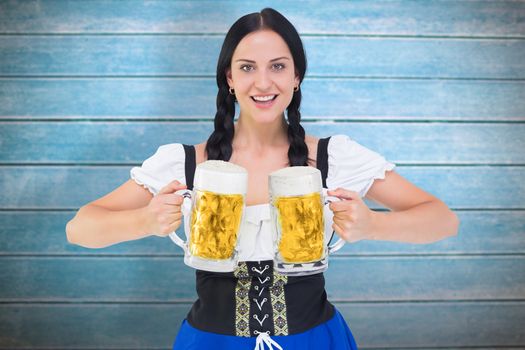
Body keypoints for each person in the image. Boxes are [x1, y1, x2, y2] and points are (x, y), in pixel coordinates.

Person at [66, 7, 459, 350]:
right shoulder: (185, 162)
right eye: (247, 68)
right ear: (230, 79)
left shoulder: (332, 157)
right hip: (209, 344)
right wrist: (143, 220)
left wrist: (374, 224)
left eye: (278, 66)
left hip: (315, 341)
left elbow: (442, 219)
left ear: (297, 76)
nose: (264, 83)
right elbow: (80, 228)